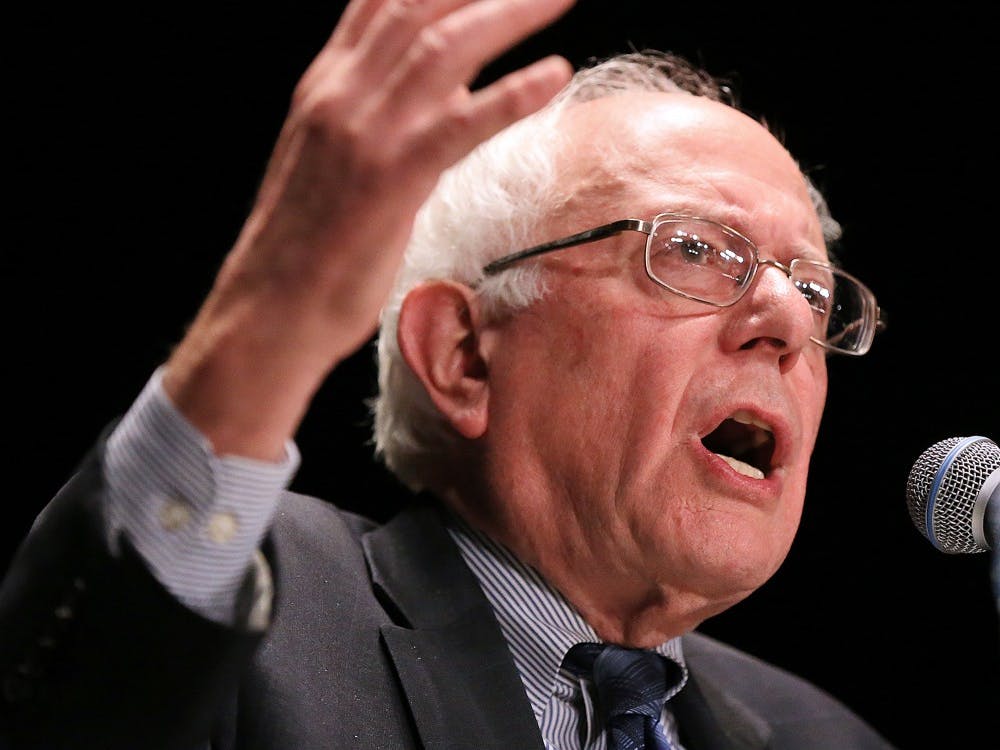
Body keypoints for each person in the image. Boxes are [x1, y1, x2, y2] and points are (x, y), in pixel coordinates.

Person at [0, 0, 894, 747]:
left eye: (814, 291)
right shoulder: (249, 612)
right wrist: (274, 310)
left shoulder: (826, 737)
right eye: (694, 250)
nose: (787, 321)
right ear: (462, 356)